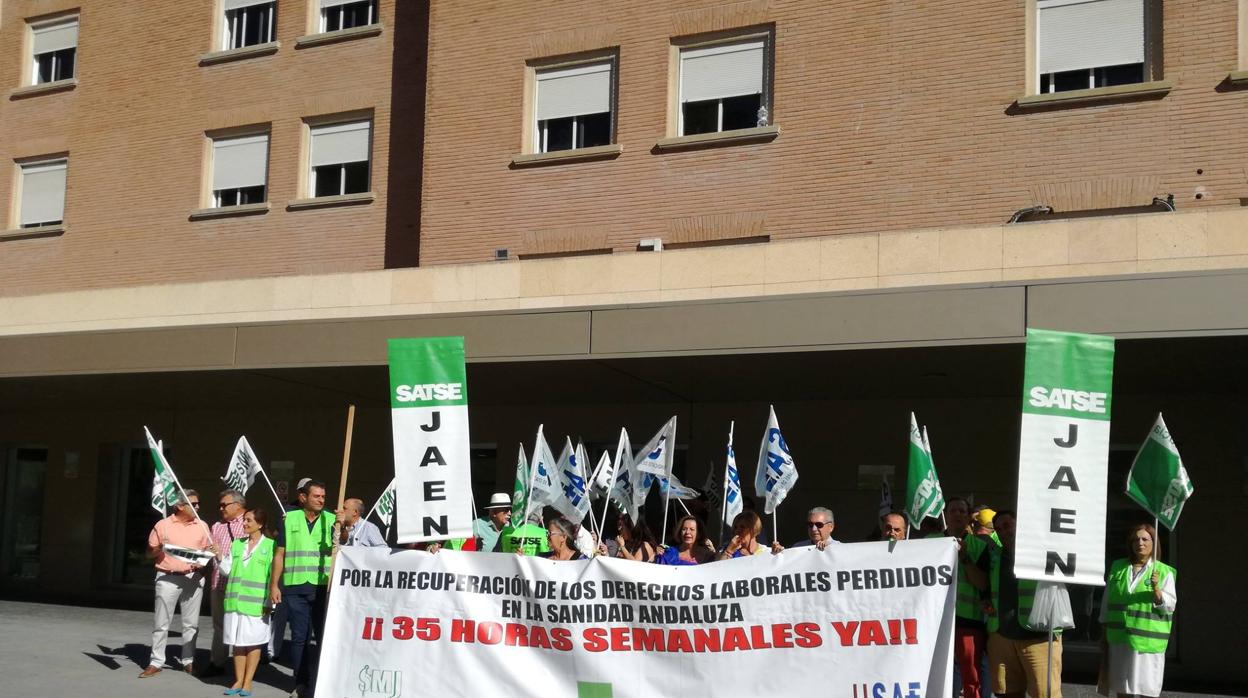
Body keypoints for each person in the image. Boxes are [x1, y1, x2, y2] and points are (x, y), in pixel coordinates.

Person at [971, 510, 1061, 698]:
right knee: (1006, 694)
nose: (1004, 531)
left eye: (1008, 525)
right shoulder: (994, 554)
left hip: (1039, 637)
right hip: (1002, 637)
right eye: (998, 528)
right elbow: (984, 583)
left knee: (1045, 695)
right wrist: (985, 597)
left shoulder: (1044, 552)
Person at [269, 479, 336, 698]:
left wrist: (342, 530)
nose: (321, 500)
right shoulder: (289, 518)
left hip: (322, 587)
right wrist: (274, 585)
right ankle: (301, 683)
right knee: (299, 637)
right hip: (295, 586)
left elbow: (341, 545)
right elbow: (279, 553)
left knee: (323, 637)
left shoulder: (332, 520)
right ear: (303, 497)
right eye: (317, 496)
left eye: (323, 497)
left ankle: (321, 682)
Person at [141, 489, 215, 678]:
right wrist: (158, 548)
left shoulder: (202, 525)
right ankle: (156, 661)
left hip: (193, 578)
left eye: (198, 503)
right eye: (194, 504)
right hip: (167, 577)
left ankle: (188, 660)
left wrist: (203, 565)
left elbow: (209, 554)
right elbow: (149, 554)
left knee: (191, 624)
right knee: (161, 622)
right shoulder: (163, 525)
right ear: (180, 506)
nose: (198, 507)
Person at [1098, 523, 1176, 698]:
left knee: (1146, 689)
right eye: (1135, 539)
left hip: (1146, 644)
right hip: (1120, 640)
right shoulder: (1118, 567)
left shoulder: (1163, 572)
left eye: (1145, 539)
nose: (1139, 543)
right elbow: (1106, 604)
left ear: (1154, 543)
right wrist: (1103, 636)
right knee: (1122, 689)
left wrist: (1156, 589)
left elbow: (1168, 607)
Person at [940, 497, 993, 698]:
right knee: (940, 671)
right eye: (953, 511)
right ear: (946, 515)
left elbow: (982, 584)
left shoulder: (979, 546)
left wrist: (965, 559)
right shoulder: (932, 542)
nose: (957, 515)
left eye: (962, 511)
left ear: (968, 517)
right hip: (936, 619)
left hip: (968, 621)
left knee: (971, 674)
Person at [220, 508, 276, 697]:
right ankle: (238, 680)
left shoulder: (270, 546)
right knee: (237, 643)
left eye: (248, 520)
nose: (244, 523)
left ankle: (248, 682)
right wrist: (219, 555)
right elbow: (226, 570)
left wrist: (270, 602)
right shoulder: (237, 544)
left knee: (253, 644)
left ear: (260, 524)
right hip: (235, 603)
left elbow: (273, 577)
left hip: (257, 604)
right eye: (244, 520)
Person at [204, 489, 248, 678]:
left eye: (225, 505)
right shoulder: (217, 526)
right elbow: (211, 553)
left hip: (242, 586)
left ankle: (244, 667)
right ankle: (217, 662)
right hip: (219, 583)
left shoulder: (249, 523)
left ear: (238, 505)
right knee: (219, 625)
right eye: (220, 505)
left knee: (243, 625)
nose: (221, 508)